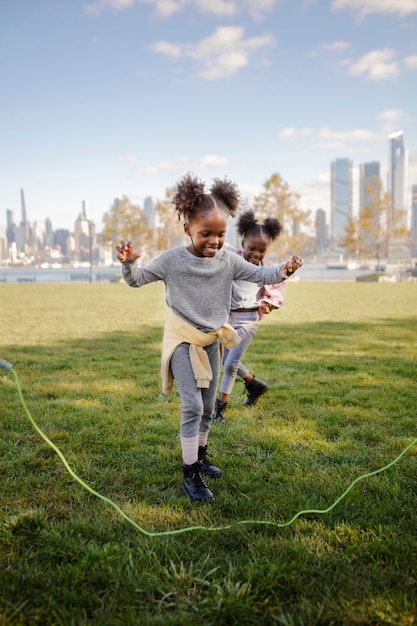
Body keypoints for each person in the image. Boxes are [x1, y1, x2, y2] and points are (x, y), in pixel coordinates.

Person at [116, 172, 303, 503]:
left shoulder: (229, 261)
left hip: (214, 341)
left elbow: (261, 274)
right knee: (192, 405)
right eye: (206, 233)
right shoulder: (173, 260)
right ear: (188, 229)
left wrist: (285, 270)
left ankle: (200, 457)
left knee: (206, 406)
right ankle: (191, 476)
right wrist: (130, 264)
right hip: (183, 342)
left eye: (220, 234)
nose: (214, 241)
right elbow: (138, 280)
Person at [213, 210, 286, 423]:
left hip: (248, 321)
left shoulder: (267, 269)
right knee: (225, 360)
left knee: (229, 364)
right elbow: (215, 245)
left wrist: (269, 303)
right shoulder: (232, 258)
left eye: (262, 250)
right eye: (252, 248)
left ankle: (220, 409)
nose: (256, 254)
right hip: (226, 321)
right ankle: (254, 384)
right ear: (243, 242)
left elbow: (280, 284)